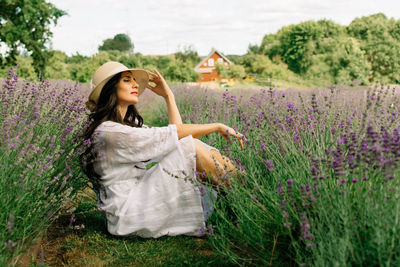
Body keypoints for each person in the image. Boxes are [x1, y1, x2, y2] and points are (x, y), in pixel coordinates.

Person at [80, 61, 247, 238]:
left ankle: (244, 196)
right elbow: (175, 134)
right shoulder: (109, 131)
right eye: (127, 80)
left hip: (136, 199)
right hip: (130, 213)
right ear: (110, 89)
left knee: (189, 147)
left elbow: (177, 136)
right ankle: (245, 200)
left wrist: (168, 96)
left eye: (134, 80)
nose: (136, 84)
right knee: (192, 148)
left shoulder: (121, 126)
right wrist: (217, 126)